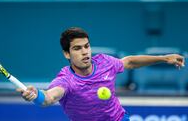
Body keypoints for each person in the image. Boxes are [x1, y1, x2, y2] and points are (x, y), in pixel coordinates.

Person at [17, 27, 185, 121]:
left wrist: (164, 58)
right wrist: (35, 95)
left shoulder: (104, 62)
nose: (85, 52)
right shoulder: (66, 80)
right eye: (77, 48)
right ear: (67, 54)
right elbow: (49, 97)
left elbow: (130, 62)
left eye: (86, 46)